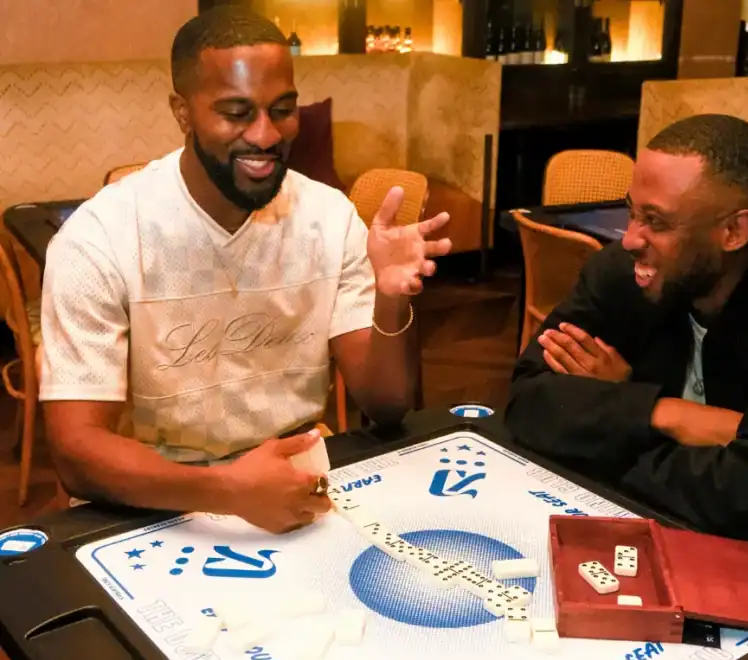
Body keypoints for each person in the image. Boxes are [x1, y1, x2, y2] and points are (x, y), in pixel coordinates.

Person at [37, 7, 449, 536]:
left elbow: (387, 405)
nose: (265, 135)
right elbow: (77, 453)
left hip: (295, 486)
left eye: (283, 109)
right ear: (182, 113)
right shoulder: (100, 238)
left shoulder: (329, 217)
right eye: (236, 112)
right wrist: (229, 490)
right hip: (150, 502)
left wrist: (391, 298)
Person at [505, 114, 748, 580]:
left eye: (656, 221)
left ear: (734, 231)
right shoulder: (620, 274)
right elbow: (526, 401)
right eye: (632, 211)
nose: (630, 238)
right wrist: (665, 414)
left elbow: (745, 499)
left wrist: (606, 418)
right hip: (665, 531)